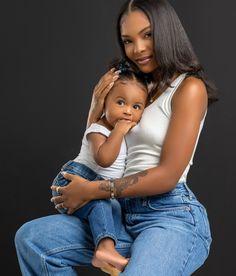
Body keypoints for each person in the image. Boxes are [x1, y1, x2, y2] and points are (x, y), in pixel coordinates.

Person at [15, 0, 218, 275]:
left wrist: (91, 190)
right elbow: (100, 150)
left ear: (167, 31)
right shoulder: (134, 88)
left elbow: (169, 174)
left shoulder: (188, 88)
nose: (138, 49)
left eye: (148, 35)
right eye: (128, 40)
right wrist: (94, 108)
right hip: (121, 214)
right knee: (32, 239)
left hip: (170, 216)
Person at [51, 59, 148, 273]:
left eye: (136, 106)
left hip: (98, 186)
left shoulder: (121, 132)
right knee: (101, 203)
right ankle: (105, 249)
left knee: (110, 207)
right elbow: (105, 159)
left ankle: (106, 256)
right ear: (104, 102)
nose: (127, 112)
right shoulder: (98, 129)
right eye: (120, 102)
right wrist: (120, 131)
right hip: (75, 181)